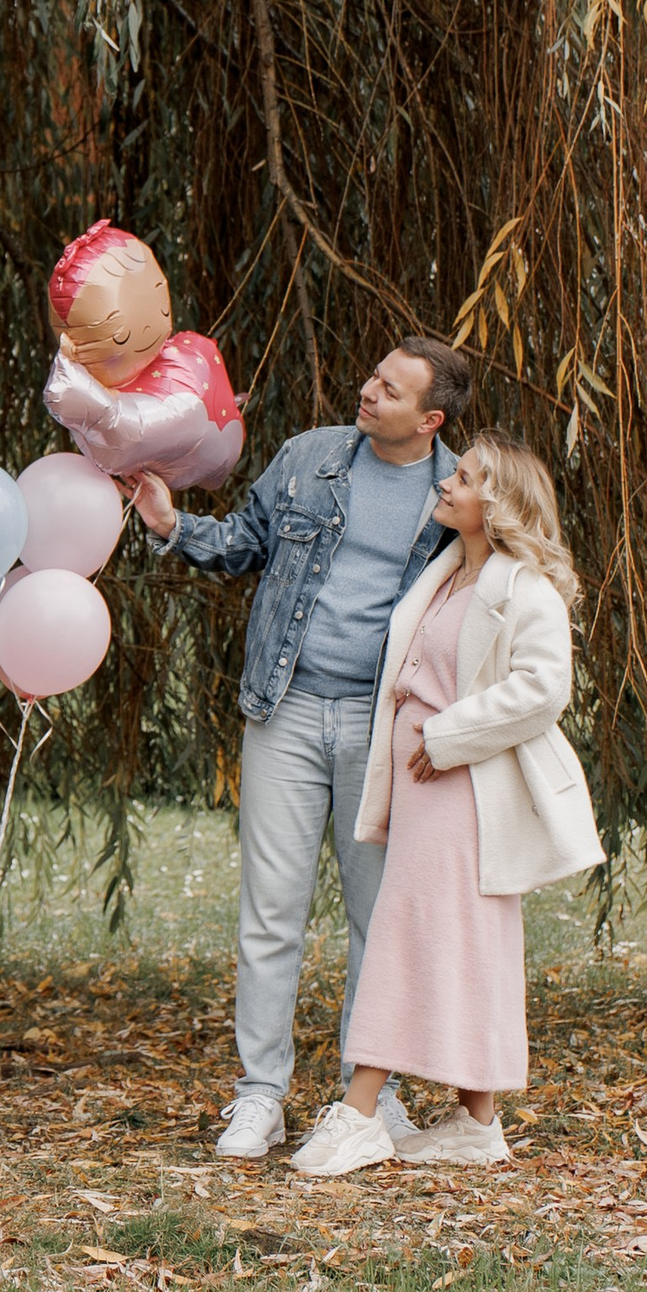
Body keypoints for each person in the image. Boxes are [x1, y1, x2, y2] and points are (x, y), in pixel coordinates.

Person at [135, 337, 472, 1161]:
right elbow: (247, 543)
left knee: (377, 919)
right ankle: (260, 1098)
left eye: (390, 390)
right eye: (372, 375)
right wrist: (171, 524)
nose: (368, 391)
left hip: (383, 725)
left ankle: (372, 1095)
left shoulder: (462, 492)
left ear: (429, 419)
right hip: (283, 709)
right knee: (270, 911)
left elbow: (493, 603)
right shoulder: (309, 457)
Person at [289, 432, 604, 1175]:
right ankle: (476, 1119)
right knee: (467, 940)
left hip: (462, 792)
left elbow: (541, 690)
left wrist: (446, 733)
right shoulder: (447, 574)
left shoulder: (522, 588)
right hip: (426, 787)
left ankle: (360, 1112)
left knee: (406, 931)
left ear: (496, 504)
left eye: (463, 478)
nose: (447, 484)